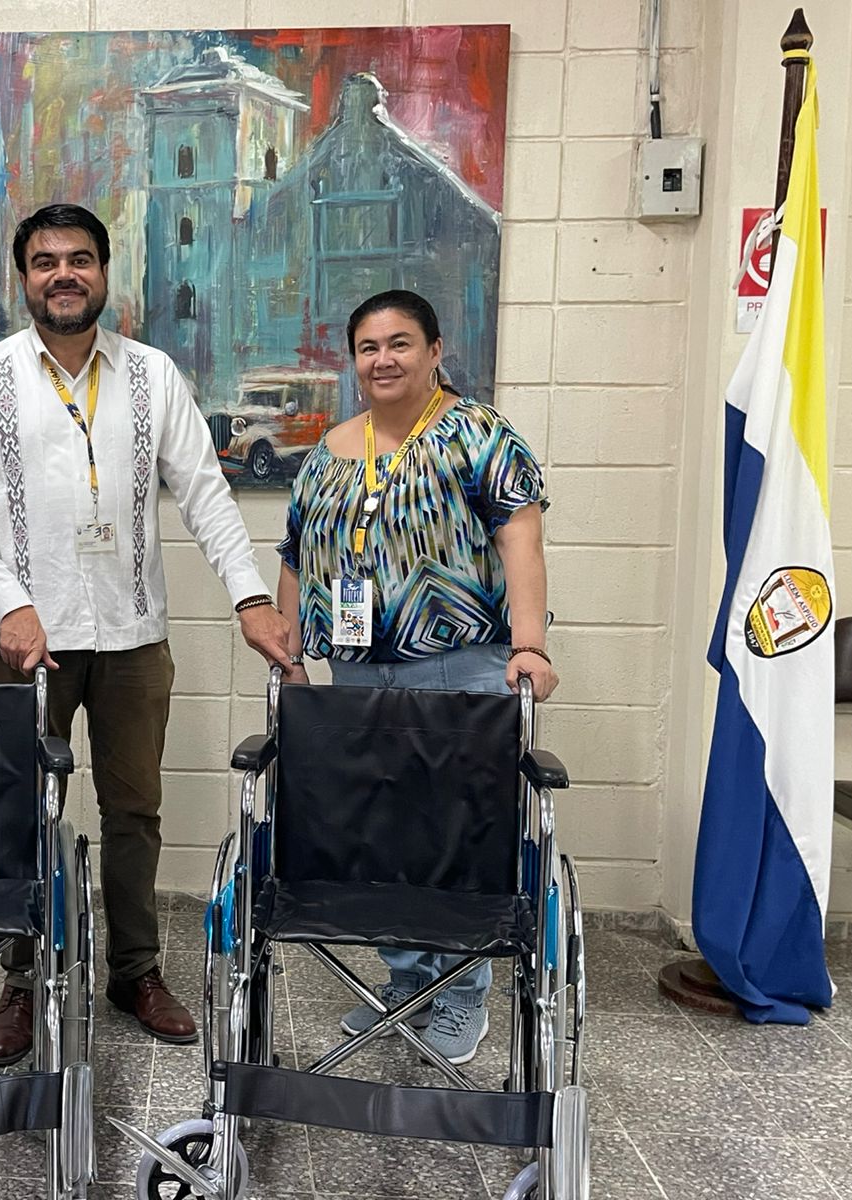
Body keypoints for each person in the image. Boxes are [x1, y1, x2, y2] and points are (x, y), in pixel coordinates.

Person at [0, 203, 294, 1063]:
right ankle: (23, 979)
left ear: (103, 272)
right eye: (46, 260)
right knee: (21, 811)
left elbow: (205, 493)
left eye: (80, 259)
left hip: (133, 636)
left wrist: (250, 597)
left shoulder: (152, 375)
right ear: (23, 277)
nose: (64, 273)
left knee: (135, 810)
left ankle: (135, 971)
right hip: (26, 641)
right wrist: (9, 602)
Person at [275, 289, 557, 1067]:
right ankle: (408, 983)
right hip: (357, 671)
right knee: (379, 833)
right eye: (368, 347)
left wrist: (530, 645)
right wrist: (292, 655)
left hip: (460, 664)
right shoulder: (332, 449)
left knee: (457, 833)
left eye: (400, 343)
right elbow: (297, 558)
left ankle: (463, 992)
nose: (383, 359)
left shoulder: (478, 433)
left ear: (435, 351)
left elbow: (521, 539)